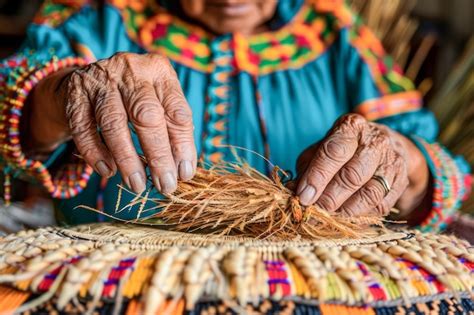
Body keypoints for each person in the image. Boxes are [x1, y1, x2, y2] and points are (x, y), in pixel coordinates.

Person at [0, 0, 470, 231]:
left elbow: (435, 168)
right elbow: (14, 109)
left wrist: (400, 160)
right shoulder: (97, 17)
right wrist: (65, 94)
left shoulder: (336, 35)